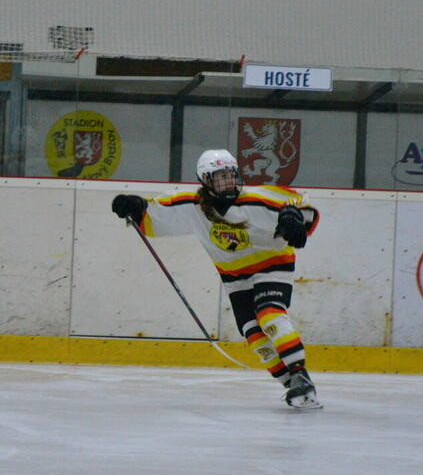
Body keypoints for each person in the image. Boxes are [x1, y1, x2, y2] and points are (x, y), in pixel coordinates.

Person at [111, 149, 321, 408]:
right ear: (206, 181)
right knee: (253, 334)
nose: (228, 181)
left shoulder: (258, 199)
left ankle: (301, 375)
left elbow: (301, 204)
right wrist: (134, 206)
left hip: (272, 265)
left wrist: (295, 218)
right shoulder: (193, 206)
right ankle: (294, 386)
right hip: (234, 277)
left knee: (270, 316)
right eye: (221, 177)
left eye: (231, 175)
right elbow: (155, 213)